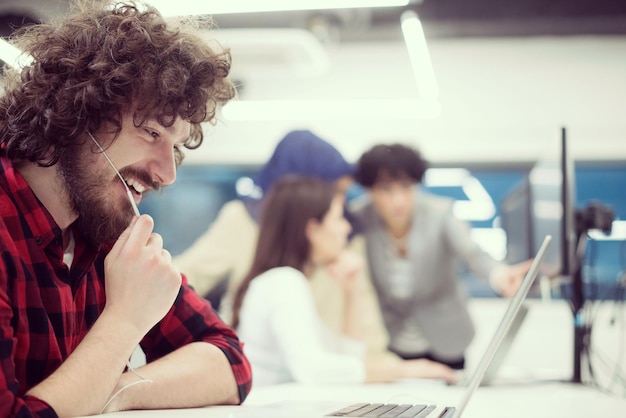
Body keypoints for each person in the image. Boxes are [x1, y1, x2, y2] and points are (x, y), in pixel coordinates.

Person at [0, 1, 252, 416]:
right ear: (75, 114)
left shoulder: (104, 231)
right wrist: (124, 322)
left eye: (175, 146)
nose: (168, 174)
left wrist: (114, 389)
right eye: (152, 131)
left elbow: (230, 362)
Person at [231, 175, 458, 387]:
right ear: (313, 229)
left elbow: (348, 359)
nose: (346, 228)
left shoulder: (287, 282)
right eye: (338, 218)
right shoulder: (283, 283)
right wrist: (403, 370)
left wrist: (352, 290)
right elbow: (315, 371)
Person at [350, 143, 533, 370]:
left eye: (406, 188)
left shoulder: (440, 212)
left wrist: (499, 275)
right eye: (386, 190)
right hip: (391, 340)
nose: (398, 200)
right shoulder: (358, 217)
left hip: (446, 338)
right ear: (370, 190)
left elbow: (472, 252)